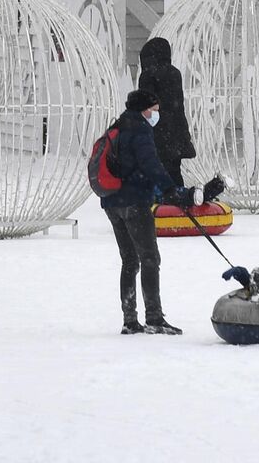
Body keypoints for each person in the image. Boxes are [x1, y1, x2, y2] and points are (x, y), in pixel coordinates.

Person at [99, 88, 200, 335]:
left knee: (129, 260)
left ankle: (129, 319)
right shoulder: (140, 129)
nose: (156, 115)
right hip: (134, 202)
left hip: (113, 203)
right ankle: (154, 318)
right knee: (150, 258)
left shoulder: (120, 125)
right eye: (154, 110)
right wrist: (173, 190)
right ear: (144, 109)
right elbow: (151, 165)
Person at [136, 36, 194, 188]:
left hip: (157, 135)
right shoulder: (175, 73)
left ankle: (160, 207)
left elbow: (145, 105)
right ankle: (180, 205)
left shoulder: (148, 75)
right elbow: (176, 106)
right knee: (174, 173)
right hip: (176, 135)